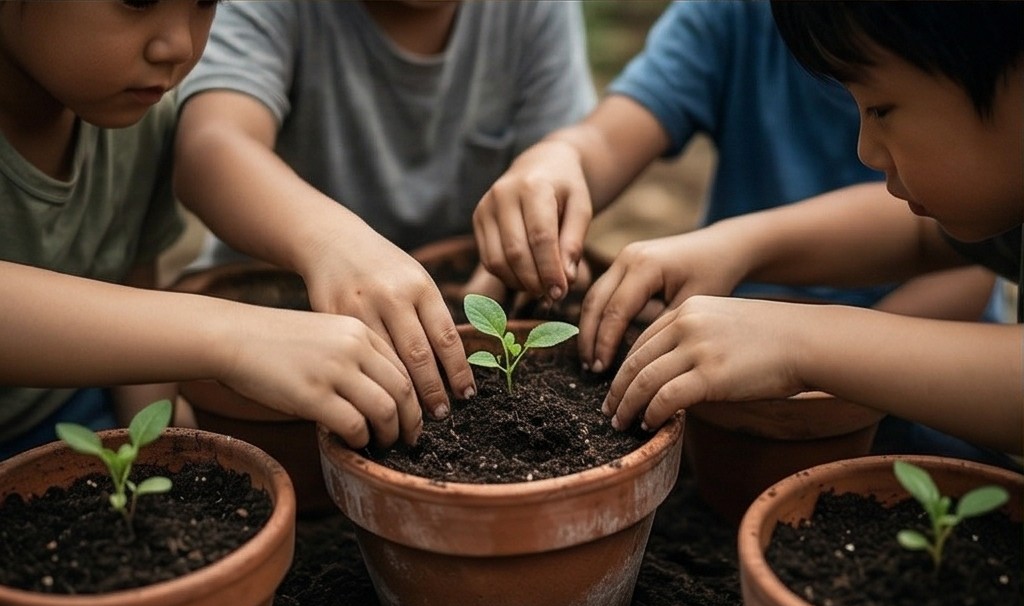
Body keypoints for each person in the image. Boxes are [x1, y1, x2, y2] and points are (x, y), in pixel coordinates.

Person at [471, 0, 1002, 459]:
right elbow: (927, 237)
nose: (866, 152)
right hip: (735, 387)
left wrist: (806, 349)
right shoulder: (737, 16)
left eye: (882, 109)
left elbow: (970, 272)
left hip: (931, 410)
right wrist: (738, 247)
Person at [0, 0, 421, 459]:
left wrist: (156, 449)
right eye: (137, 1)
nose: (180, 44)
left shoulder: (141, 122)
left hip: (76, 413)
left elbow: (136, 301)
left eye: (206, 3)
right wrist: (234, 337)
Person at [172, 0, 596, 422]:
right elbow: (209, 149)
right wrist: (331, 244)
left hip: (457, 305)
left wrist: (533, 240)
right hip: (278, 332)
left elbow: (555, 167)